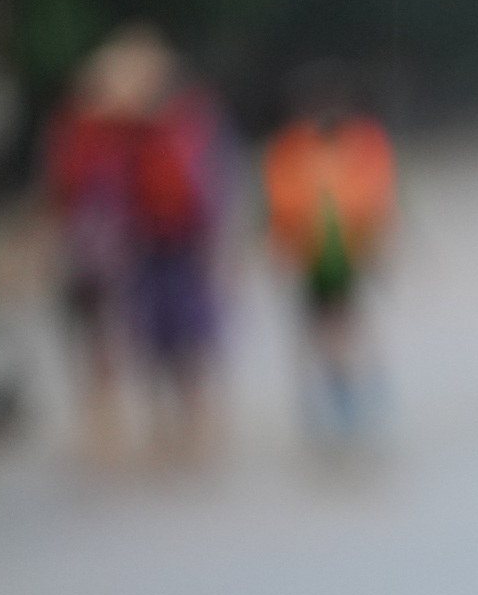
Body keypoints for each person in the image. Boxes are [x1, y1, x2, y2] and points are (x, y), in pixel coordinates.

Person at [43, 25, 228, 461]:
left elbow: (208, 189)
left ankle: (186, 423)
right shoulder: (88, 130)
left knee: (179, 341)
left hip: (166, 245)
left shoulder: (177, 124)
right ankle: (129, 424)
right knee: (114, 339)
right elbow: (62, 191)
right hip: (115, 249)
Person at [261, 65, 396, 438]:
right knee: (326, 328)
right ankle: (334, 401)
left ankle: (349, 398)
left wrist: (382, 247)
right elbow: (280, 211)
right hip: (314, 257)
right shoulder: (291, 150)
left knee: (340, 326)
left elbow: (378, 202)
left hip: (345, 255)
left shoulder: (360, 145)